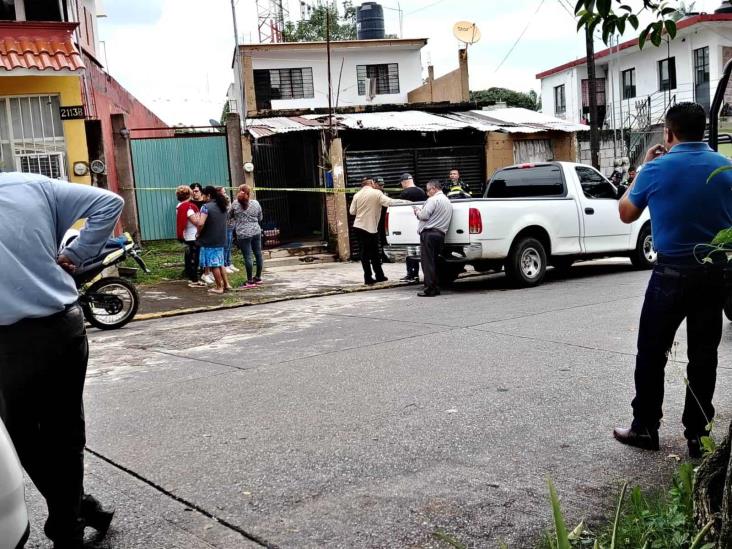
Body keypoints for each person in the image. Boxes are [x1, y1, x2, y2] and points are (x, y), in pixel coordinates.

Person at [0, 172, 121, 548]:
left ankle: (69, 521)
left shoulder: (34, 187)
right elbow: (109, 203)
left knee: (20, 434)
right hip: (58, 329)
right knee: (63, 432)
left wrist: (75, 254)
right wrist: (77, 255)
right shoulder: (31, 186)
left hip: (13, 339)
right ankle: (72, 513)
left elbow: (109, 204)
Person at [614, 102, 732, 459]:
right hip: (714, 270)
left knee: (651, 352)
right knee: (703, 355)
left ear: (669, 132)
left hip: (670, 273)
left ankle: (645, 427)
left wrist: (644, 168)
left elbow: (625, 213)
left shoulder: (657, 169)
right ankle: (698, 435)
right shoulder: (726, 167)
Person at [349, 177, 402, 285]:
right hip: (371, 228)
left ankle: (368, 277)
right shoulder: (376, 193)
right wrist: (405, 202)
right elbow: (389, 202)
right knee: (375, 253)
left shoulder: (357, 195)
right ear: (371, 183)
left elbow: (352, 212)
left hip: (359, 226)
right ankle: (379, 275)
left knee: (364, 254)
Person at [413, 180, 453, 297]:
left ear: (434, 188)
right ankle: (435, 286)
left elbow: (424, 216)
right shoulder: (447, 201)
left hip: (429, 234)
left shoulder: (433, 200)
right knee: (435, 262)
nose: (427, 193)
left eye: (428, 190)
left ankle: (430, 288)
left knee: (427, 263)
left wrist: (417, 211)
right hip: (440, 234)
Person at [195, 186, 231, 294]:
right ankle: (226, 284)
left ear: (208, 195)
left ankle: (219, 287)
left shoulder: (205, 207)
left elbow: (201, 223)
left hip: (210, 239)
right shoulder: (222, 206)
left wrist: (198, 233)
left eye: (203, 195)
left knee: (214, 264)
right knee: (220, 263)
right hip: (221, 238)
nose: (203, 198)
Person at [229, 184, 264, 288]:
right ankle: (258, 277)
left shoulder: (235, 204)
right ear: (250, 193)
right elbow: (260, 218)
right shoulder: (256, 203)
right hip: (256, 231)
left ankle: (249, 281)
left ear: (239, 192)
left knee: (248, 256)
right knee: (258, 254)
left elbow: (229, 216)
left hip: (243, 234)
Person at [398, 173, 427, 283]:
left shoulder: (405, 193)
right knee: (421, 251)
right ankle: (426, 274)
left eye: (401, 183)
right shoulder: (421, 191)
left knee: (411, 252)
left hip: (408, 225)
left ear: (404, 182)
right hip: (420, 224)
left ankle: (412, 274)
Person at [176, 185, 205, 288]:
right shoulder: (188, 207)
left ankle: (192, 278)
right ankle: (194, 280)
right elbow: (196, 222)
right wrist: (202, 217)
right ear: (189, 194)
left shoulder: (180, 206)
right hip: (192, 236)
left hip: (187, 236)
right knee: (194, 259)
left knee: (189, 258)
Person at [217, 186, 239, 275]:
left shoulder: (226, 198)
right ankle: (225, 265)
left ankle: (229, 263)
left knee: (229, 245)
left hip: (231, 224)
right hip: (224, 226)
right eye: (223, 192)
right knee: (225, 246)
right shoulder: (220, 201)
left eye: (225, 192)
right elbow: (227, 211)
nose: (225, 194)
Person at [373, 176, 393, 263]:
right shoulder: (373, 194)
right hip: (374, 219)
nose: (381, 187)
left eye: (382, 185)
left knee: (384, 239)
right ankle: (376, 258)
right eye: (379, 185)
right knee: (374, 240)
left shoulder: (384, 194)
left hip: (383, 219)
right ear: (374, 184)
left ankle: (384, 257)